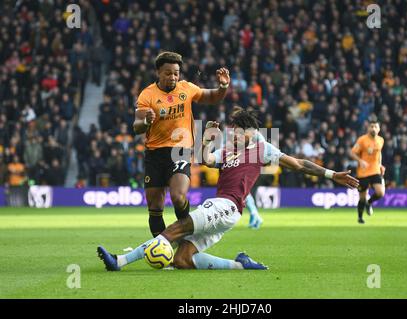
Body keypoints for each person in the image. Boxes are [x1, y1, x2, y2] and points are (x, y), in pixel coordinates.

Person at [98, 108, 359, 271]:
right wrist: (206, 139)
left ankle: (120, 262)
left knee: (173, 231)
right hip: (225, 212)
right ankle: (240, 264)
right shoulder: (227, 152)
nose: (233, 134)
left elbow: (298, 164)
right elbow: (205, 159)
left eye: (237, 131)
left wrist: (331, 174)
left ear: (250, 132)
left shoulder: (263, 149)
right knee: (182, 260)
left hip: (226, 206)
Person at [133, 51, 230, 238]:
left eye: (176, 73)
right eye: (168, 73)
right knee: (154, 206)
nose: (173, 77)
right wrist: (145, 122)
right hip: (154, 153)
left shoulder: (186, 88)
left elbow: (213, 97)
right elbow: (136, 126)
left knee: (178, 197)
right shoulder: (147, 95)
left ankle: (187, 240)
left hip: (180, 150)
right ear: (158, 73)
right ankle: (163, 250)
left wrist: (223, 86)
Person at [350, 117, 385, 224]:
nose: (373, 128)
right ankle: (360, 217)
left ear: (379, 129)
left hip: (375, 171)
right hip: (363, 172)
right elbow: (352, 153)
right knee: (362, 198)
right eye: (371, 126)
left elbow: (379, 153)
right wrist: (360, 161)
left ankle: (369, 203)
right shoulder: (362, 140)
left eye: (375, 126)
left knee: (380, 192)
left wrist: (380, 164)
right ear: (368, 128)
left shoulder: (381, 140)